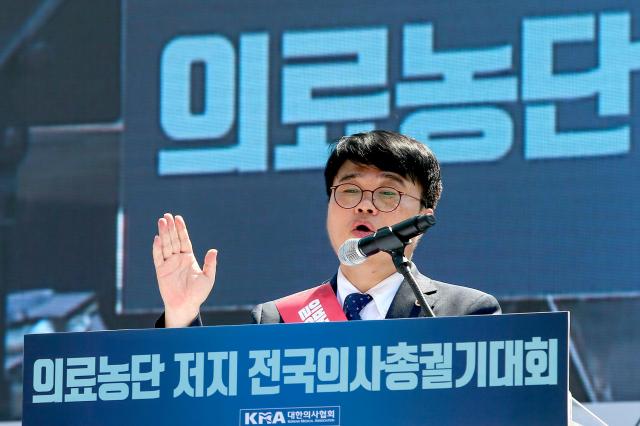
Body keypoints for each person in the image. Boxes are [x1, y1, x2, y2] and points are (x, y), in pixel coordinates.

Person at [154, 130, 500, 328]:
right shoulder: (277, 319)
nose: (365, 205)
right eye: (349, 190)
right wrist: (181, 313)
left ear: (423, 218)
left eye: (387, 193)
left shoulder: (464, 313)